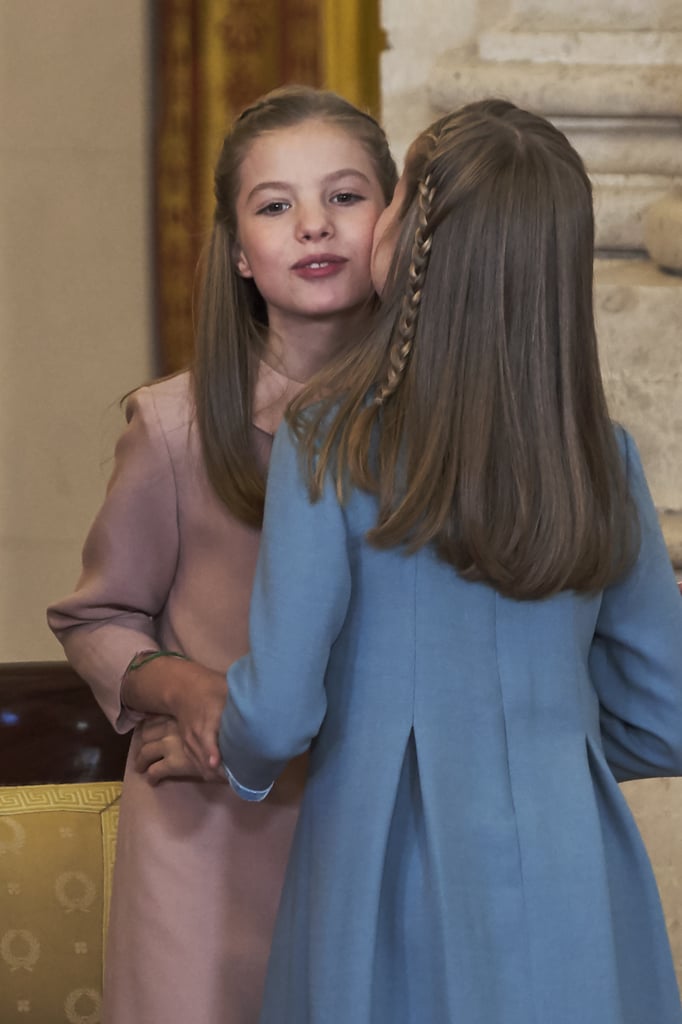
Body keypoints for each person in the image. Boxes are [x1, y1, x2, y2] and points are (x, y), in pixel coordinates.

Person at [218, 99, 682, 1024]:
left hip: (388, 864)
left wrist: (239, 766)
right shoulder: (604, 451)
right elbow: (669, 713)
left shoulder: (329, 438)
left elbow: (274, 712)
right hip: (575, 868)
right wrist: (554, 752)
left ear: (413, 242)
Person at [47, 85, 397, 1024]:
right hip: (209, 855)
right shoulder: (173, 425)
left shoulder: (444, 434)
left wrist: (263, 735)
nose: (314, 226)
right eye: (275, 205)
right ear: (240, 251)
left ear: (397, 224)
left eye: (346, 197)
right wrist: (194, 693)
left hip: (382, 838)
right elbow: (95, 616)